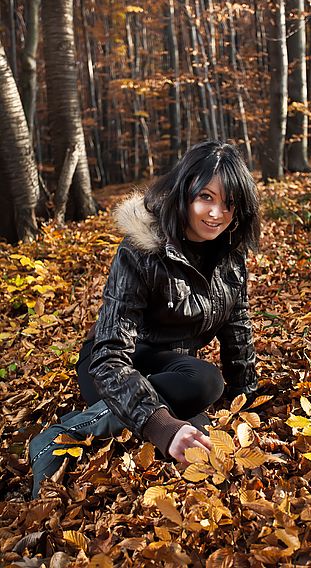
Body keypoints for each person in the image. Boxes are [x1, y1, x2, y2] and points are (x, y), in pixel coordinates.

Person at [29, 140, 260, 498]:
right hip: (110, 363)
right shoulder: (140, 251)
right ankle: (63, 435)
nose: (217, 213)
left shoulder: (229, 255)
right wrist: (162, 425)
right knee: (191, 412)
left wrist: (245, 399)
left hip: (169, 365)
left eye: (229, 203)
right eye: (206, 197)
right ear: (183, 193)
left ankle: (150, 407)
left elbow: (237, 329)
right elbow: (108, 356)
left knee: (206, 383)